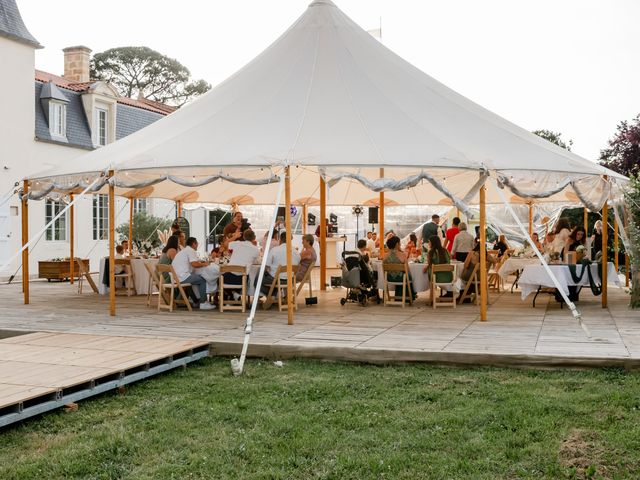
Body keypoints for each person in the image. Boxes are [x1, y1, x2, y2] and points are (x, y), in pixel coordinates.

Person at [171, 237, 215, 310]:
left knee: (192, 281)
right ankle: (203, 303)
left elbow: (193, 263)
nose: (197, 245)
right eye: (197, 243)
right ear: (194, 244)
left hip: (175, 277)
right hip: (182, 277)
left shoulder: (184, 250)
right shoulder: (190, 250)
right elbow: (194, 264)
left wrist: (200, 263)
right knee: (202, 279)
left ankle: (196, 301)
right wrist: (205, 264)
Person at [258, 231, 300, 295]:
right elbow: (297, 263)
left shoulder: (275, 250)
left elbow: (266, 266)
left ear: (280, 239)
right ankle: (275, 295)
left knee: (258, 278)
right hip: (290, 279)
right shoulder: (296, 252)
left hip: (276, 279)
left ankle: (271, 296)